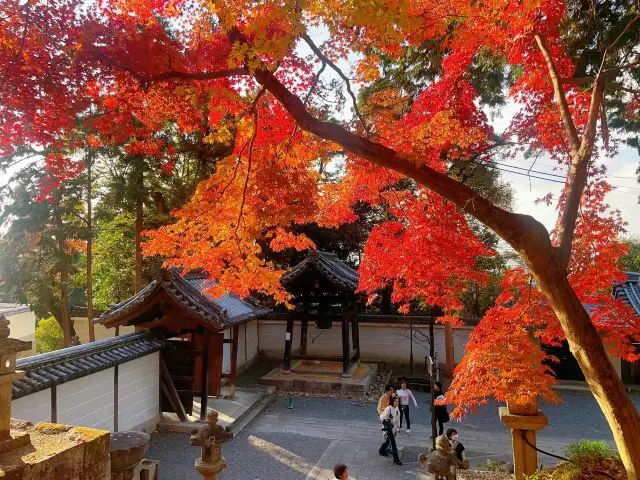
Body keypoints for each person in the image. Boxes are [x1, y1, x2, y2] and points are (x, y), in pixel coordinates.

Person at [379, 396, 402, 465]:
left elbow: (398, 419)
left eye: (397, 401)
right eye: (395, 401)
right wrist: (387, 421)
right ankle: (396, 459)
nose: (396, 403)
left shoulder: (397, 409)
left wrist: (398, 427)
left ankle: (382, 450)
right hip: (389, 428)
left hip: (394, 428)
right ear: (393, 401)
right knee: (393, 444)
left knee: (388, 441)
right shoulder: (389, 408)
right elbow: (382, 416)